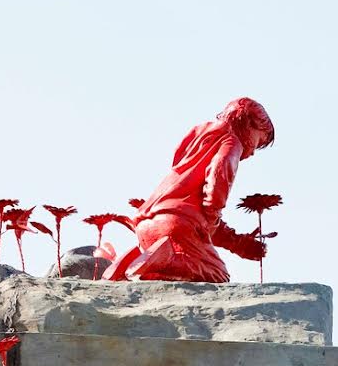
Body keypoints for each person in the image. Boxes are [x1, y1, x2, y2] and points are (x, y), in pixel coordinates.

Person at [103, 98, 275, 282]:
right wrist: (212, 213)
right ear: (248, 123)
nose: (254, 151)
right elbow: (218, 177)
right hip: (177, 225)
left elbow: (177, 162)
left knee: (165, 257)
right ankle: (168, 260)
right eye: (259, 141)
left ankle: (129, 262)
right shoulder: (232, 142)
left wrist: (237, 243)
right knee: (217, 273)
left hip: (147, 223)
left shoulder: (198, 133)